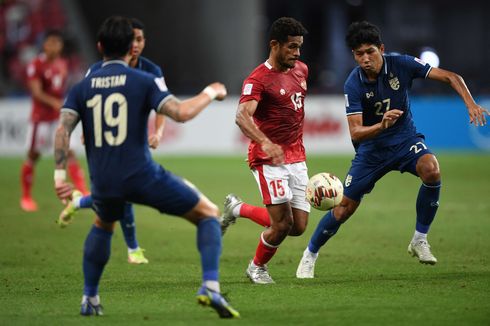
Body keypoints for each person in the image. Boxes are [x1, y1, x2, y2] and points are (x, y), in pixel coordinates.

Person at [53, 16, 239, 318]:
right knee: (209, 214)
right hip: (141, 175)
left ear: (100, 46)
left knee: (102, 224)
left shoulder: (81, 86)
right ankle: (210, 286)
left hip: (103, 180)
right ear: (131, 48)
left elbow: (63, 131)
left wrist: (59, 176)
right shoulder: (142, 80)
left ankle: (90, 298)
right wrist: (210, 92)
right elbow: (180, 113)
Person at [296, 21, 489, 278]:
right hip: (371, 151)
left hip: (405, 140)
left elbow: (452, 77)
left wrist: (471, 104)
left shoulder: (402, 64)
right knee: (343, 209)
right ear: (353, 55)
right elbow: (355, 132)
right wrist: (381, 124)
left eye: (370, 51)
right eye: (359, 54)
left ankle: (419, 239)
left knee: (431, 170)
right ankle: (310, 254)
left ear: (381, 49)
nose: (365, 58)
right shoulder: (353, 85)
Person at [58, 18, 166, 265]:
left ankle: (80, 202)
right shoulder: (97, 70)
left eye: (140, 39)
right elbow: (86, 101)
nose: (136, 44)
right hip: (104, 143)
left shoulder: (152, 71)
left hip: (134, 142)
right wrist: (88, 129)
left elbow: (163, 107)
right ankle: (133, 249)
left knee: (116, 195)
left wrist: (158, 133)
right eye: (132, 39)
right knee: (117, 195)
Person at [220, 17, 310, 284]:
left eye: (299, 47)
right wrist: (265, 142)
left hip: (297, 156)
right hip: (268, 160)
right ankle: (256, 267)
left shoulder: (302, 70)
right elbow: (242, 116)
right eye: (292, 47)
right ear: (275, 45)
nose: (297, 53)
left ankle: (237, 208)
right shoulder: (258, 79)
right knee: (281, 225)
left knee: (298, 227)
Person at [20, 30, 88, 211]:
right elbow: (36, 92)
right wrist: (54, 102)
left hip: (57, 117)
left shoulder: (62, 63)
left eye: (57, 43)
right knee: (34, 155)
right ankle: (26, 197)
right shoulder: (35, 65)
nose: (54, 46)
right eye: (51, 42)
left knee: (70, 152)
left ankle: (83, 191)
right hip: (40, 119)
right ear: (44, 44)